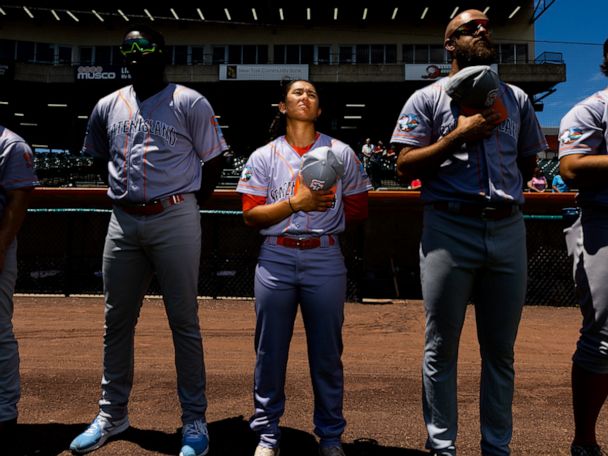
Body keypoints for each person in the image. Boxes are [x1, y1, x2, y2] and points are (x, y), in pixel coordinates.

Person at [391, 9, 546, 456]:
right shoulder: (427, 99)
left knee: (501, 351)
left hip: (506, 225)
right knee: (441, 347)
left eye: (485, 26)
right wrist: (458, 137)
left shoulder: (514, 97)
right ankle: (443, 448)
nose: (482, 30)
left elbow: (529, 163)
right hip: (449, 226)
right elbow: (403, 166)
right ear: (450, 44)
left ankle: (496, 448)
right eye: (470, 27)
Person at [69, 25, 227, 456]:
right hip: (123, 220)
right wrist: (128, 200)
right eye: (129, 48)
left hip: (174, 214)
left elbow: (214, 162)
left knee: (184, 322)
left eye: (146, 46)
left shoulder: (189, 101)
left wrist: (185, 204)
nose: (137, 53)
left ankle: (194, 419)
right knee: (116, 321)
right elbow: (102, 159)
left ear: (162, 52)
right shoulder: (107, 104)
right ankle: (111, 413)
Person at [236, 79, 371, 456]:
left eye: (312, 93)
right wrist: (298, 205)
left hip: (324, 256)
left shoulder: (341, 152)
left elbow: (359, 209)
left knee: (327, 354)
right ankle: (267, 432)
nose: (305, 97)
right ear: (282, 106)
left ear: (320, 109)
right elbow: (251, 216)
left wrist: (324, 212)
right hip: (276, 255)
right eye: (297, 92)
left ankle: (330, 434)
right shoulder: (264, 155)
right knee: (269, 352)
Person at [559, 38, 608, 456]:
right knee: (605, 337)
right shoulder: (593, 107)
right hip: (603, 224)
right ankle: (586, 442)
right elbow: (571, 167)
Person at [0, 126, 38, 448]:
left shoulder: (10, 144)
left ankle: (3, 414)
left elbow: (18, 199)